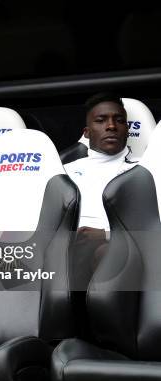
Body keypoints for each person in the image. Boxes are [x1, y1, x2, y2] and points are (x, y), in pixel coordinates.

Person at [64, 92, 135, 276]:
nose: (111, 126)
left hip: (114, 247)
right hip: (64, 245)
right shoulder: (63, 170)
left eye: (119, 120)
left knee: (105, 252)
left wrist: (105, 235)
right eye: (101, 120)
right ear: (87, 133)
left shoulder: (143, 172)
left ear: (127, 130)